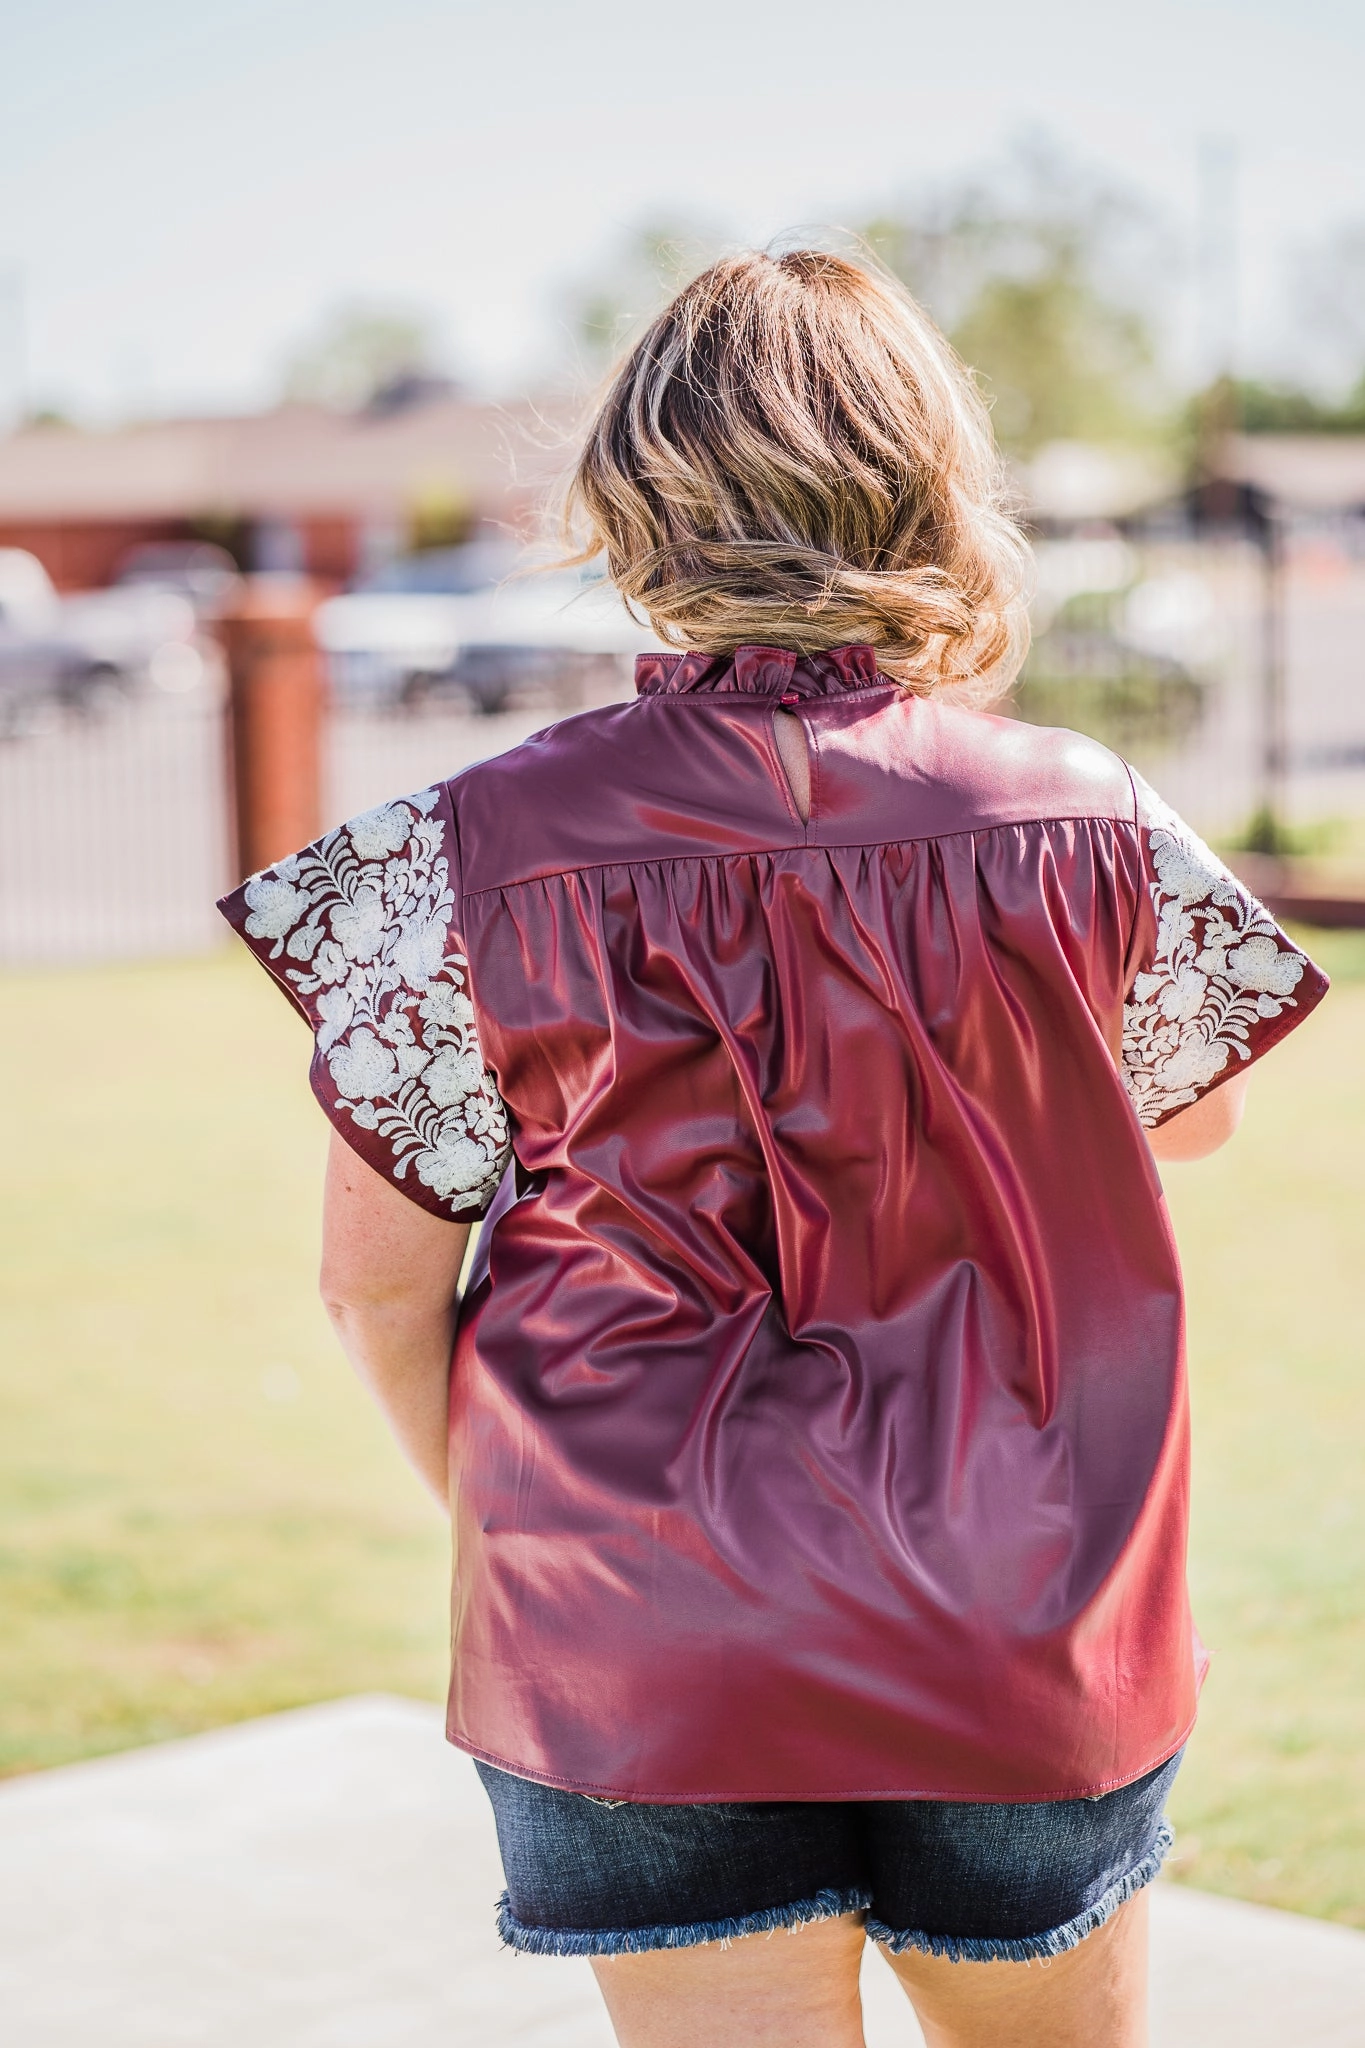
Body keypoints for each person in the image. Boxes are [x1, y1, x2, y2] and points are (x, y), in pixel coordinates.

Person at [219, 250, 1329, 2048]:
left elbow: (373, 1284)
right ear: (930, 488)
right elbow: (1196, 1115)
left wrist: (523, 1527)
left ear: (635, 499)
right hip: (1024, 1600)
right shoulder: (1087, 812)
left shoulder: (454, 853)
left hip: (633, 1617)